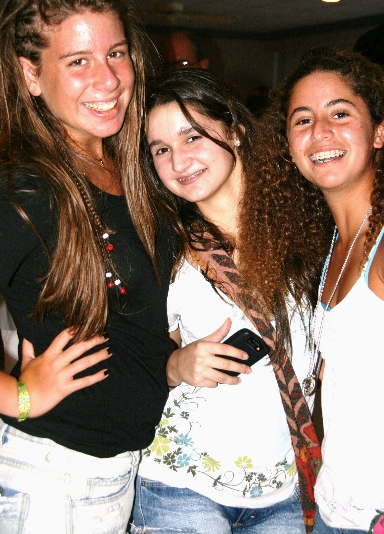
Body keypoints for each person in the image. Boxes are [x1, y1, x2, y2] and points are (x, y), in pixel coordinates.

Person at [0, 0, 176, 533]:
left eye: (116, 53)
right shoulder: (23, 190)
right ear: (30, 74)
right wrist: (18, 396)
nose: (108, 79)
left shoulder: (127, 165)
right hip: (50, 482)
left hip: (114, 478)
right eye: (77, 61)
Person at [131, 69, 323, 534]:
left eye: (192, 136)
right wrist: (175, 365)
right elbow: (134, 362)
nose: (179, 160)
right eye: (161, 149)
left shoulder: (308, 229)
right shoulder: (162, 248)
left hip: (283, 489)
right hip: (181, 485)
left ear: (235, 131)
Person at [252, 48, 384, 533]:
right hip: (335, 508)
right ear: (289, 146)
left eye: (340, 113)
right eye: (303, 120)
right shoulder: (332, 245)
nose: (321, 132)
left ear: (379, 132)